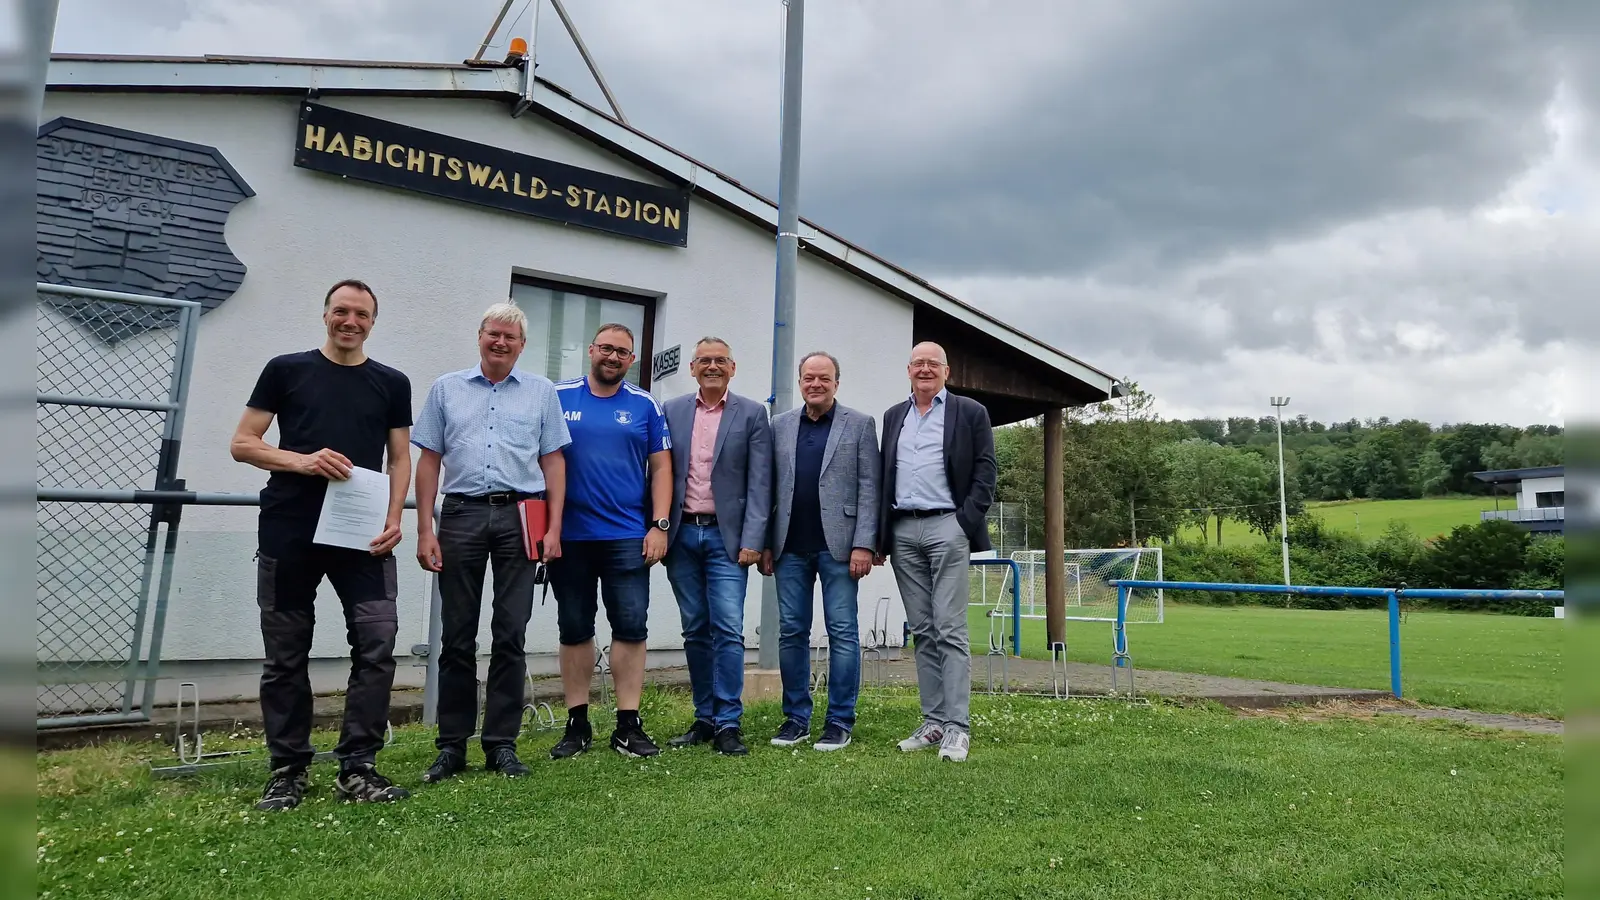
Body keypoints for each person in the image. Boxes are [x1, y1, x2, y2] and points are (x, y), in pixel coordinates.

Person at [230, 278, 414, 809]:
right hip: (289, 530)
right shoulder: (286, 369)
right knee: (286, 653)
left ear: (373, 322)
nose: (350, 321)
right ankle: (288, 769)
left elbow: (400, 458)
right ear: (326, 314)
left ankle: (358, 767)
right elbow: (243, 443)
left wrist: (394, 517)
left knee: (377, 645)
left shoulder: (391, 382)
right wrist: (303, 461)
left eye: (361, 314)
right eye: (341, 311)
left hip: (363, 536)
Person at [410, 301, 570, 783]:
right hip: (460, 514)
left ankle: (501, 742)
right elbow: (429, 459)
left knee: (510, 632)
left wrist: (554, 529)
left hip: (522, 516)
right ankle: (451, 745)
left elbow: (554, 464)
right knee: (456, 635)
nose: (500, 343)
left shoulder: (542, 393)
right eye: (492, 334)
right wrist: (424, 527)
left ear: (522, 346)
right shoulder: (446, 389)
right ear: (480, 336)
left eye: (510, 337)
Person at [547, 324, 672, 759]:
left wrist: (659, 525)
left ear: (631, 359)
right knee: (574, 629)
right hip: (569, 537)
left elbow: (661, 468)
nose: (613, 357)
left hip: (627, 536)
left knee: (631, 629)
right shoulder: (558, 396)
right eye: (606, 348)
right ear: (591, 350)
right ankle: (577, 724)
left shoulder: (646, 404)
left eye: (622, 351)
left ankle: (627, 725)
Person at [876, 341, 996, 763]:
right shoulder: (895, 416)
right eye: (918, 363)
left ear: (947, 371)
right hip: (903, 529)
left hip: (949, 524)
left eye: (933, 364)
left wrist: (965, 521)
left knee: (950, 628)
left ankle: (958, 728)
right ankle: (933, 723)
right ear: (908, 370)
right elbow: (883, 475)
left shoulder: (969, 412)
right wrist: (882, 537)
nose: (925, 369)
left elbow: (986, 469)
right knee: (923, 629)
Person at [761, 350, 879, 751]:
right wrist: (763, 543)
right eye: (808, 378)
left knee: (842, 633)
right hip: (789, 548)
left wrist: (865, 544)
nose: (815, 384)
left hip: (841, 549)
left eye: (823, 378)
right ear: (800, 382)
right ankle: (796, 718)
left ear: (836, 383)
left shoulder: (860, 425)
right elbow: (768, 489)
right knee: (792, 633)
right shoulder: (778, 426)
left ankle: (839, 720)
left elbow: (870, 489)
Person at [660, 337, 772, 756]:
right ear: (692, 368)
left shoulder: (751, 413)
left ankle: (728, 722)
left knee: (727, 629)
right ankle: (704, 717)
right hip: (682, 534)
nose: (712, 366)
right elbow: (658, 472)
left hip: (729, 540)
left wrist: (753, 540)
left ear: (733, 367)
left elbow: (761, 482)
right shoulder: (670, 411)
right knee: (694, 629)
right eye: (704, 360)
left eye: (720, 360)